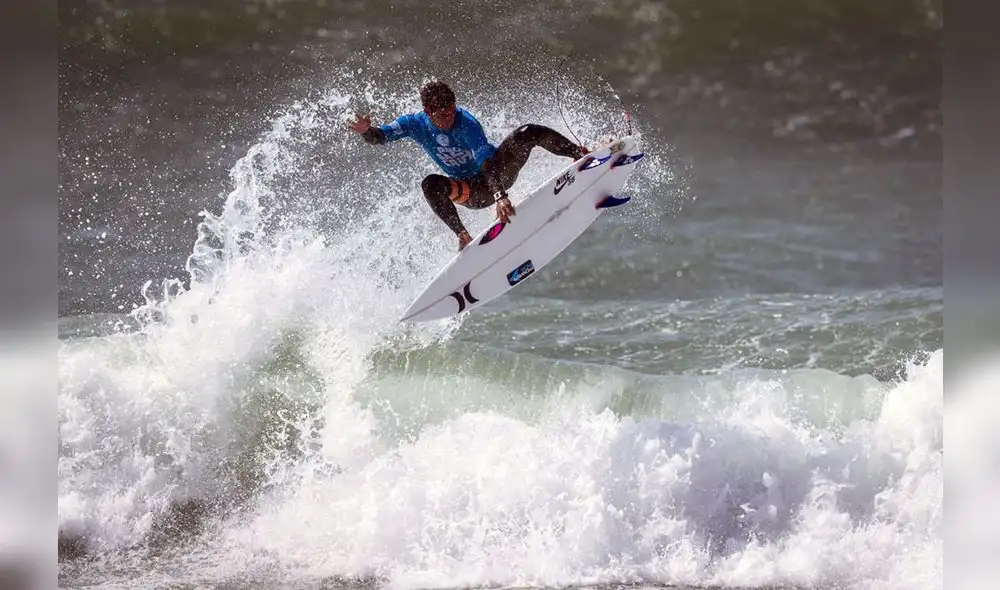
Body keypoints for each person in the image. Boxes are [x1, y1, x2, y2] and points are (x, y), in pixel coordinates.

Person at [347, 80, 589, 251]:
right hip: (470, 192)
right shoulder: (414, 124)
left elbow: (485, 161)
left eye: (452, 110)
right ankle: (463, 236)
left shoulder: (466, 123)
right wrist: (367, 131)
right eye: (442, 114)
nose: (449, 116)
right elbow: (381, 137)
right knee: (430, 184)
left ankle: (580, 154)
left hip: (497, 174)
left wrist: (500, 196)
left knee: (528, 132)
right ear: (428, 112)